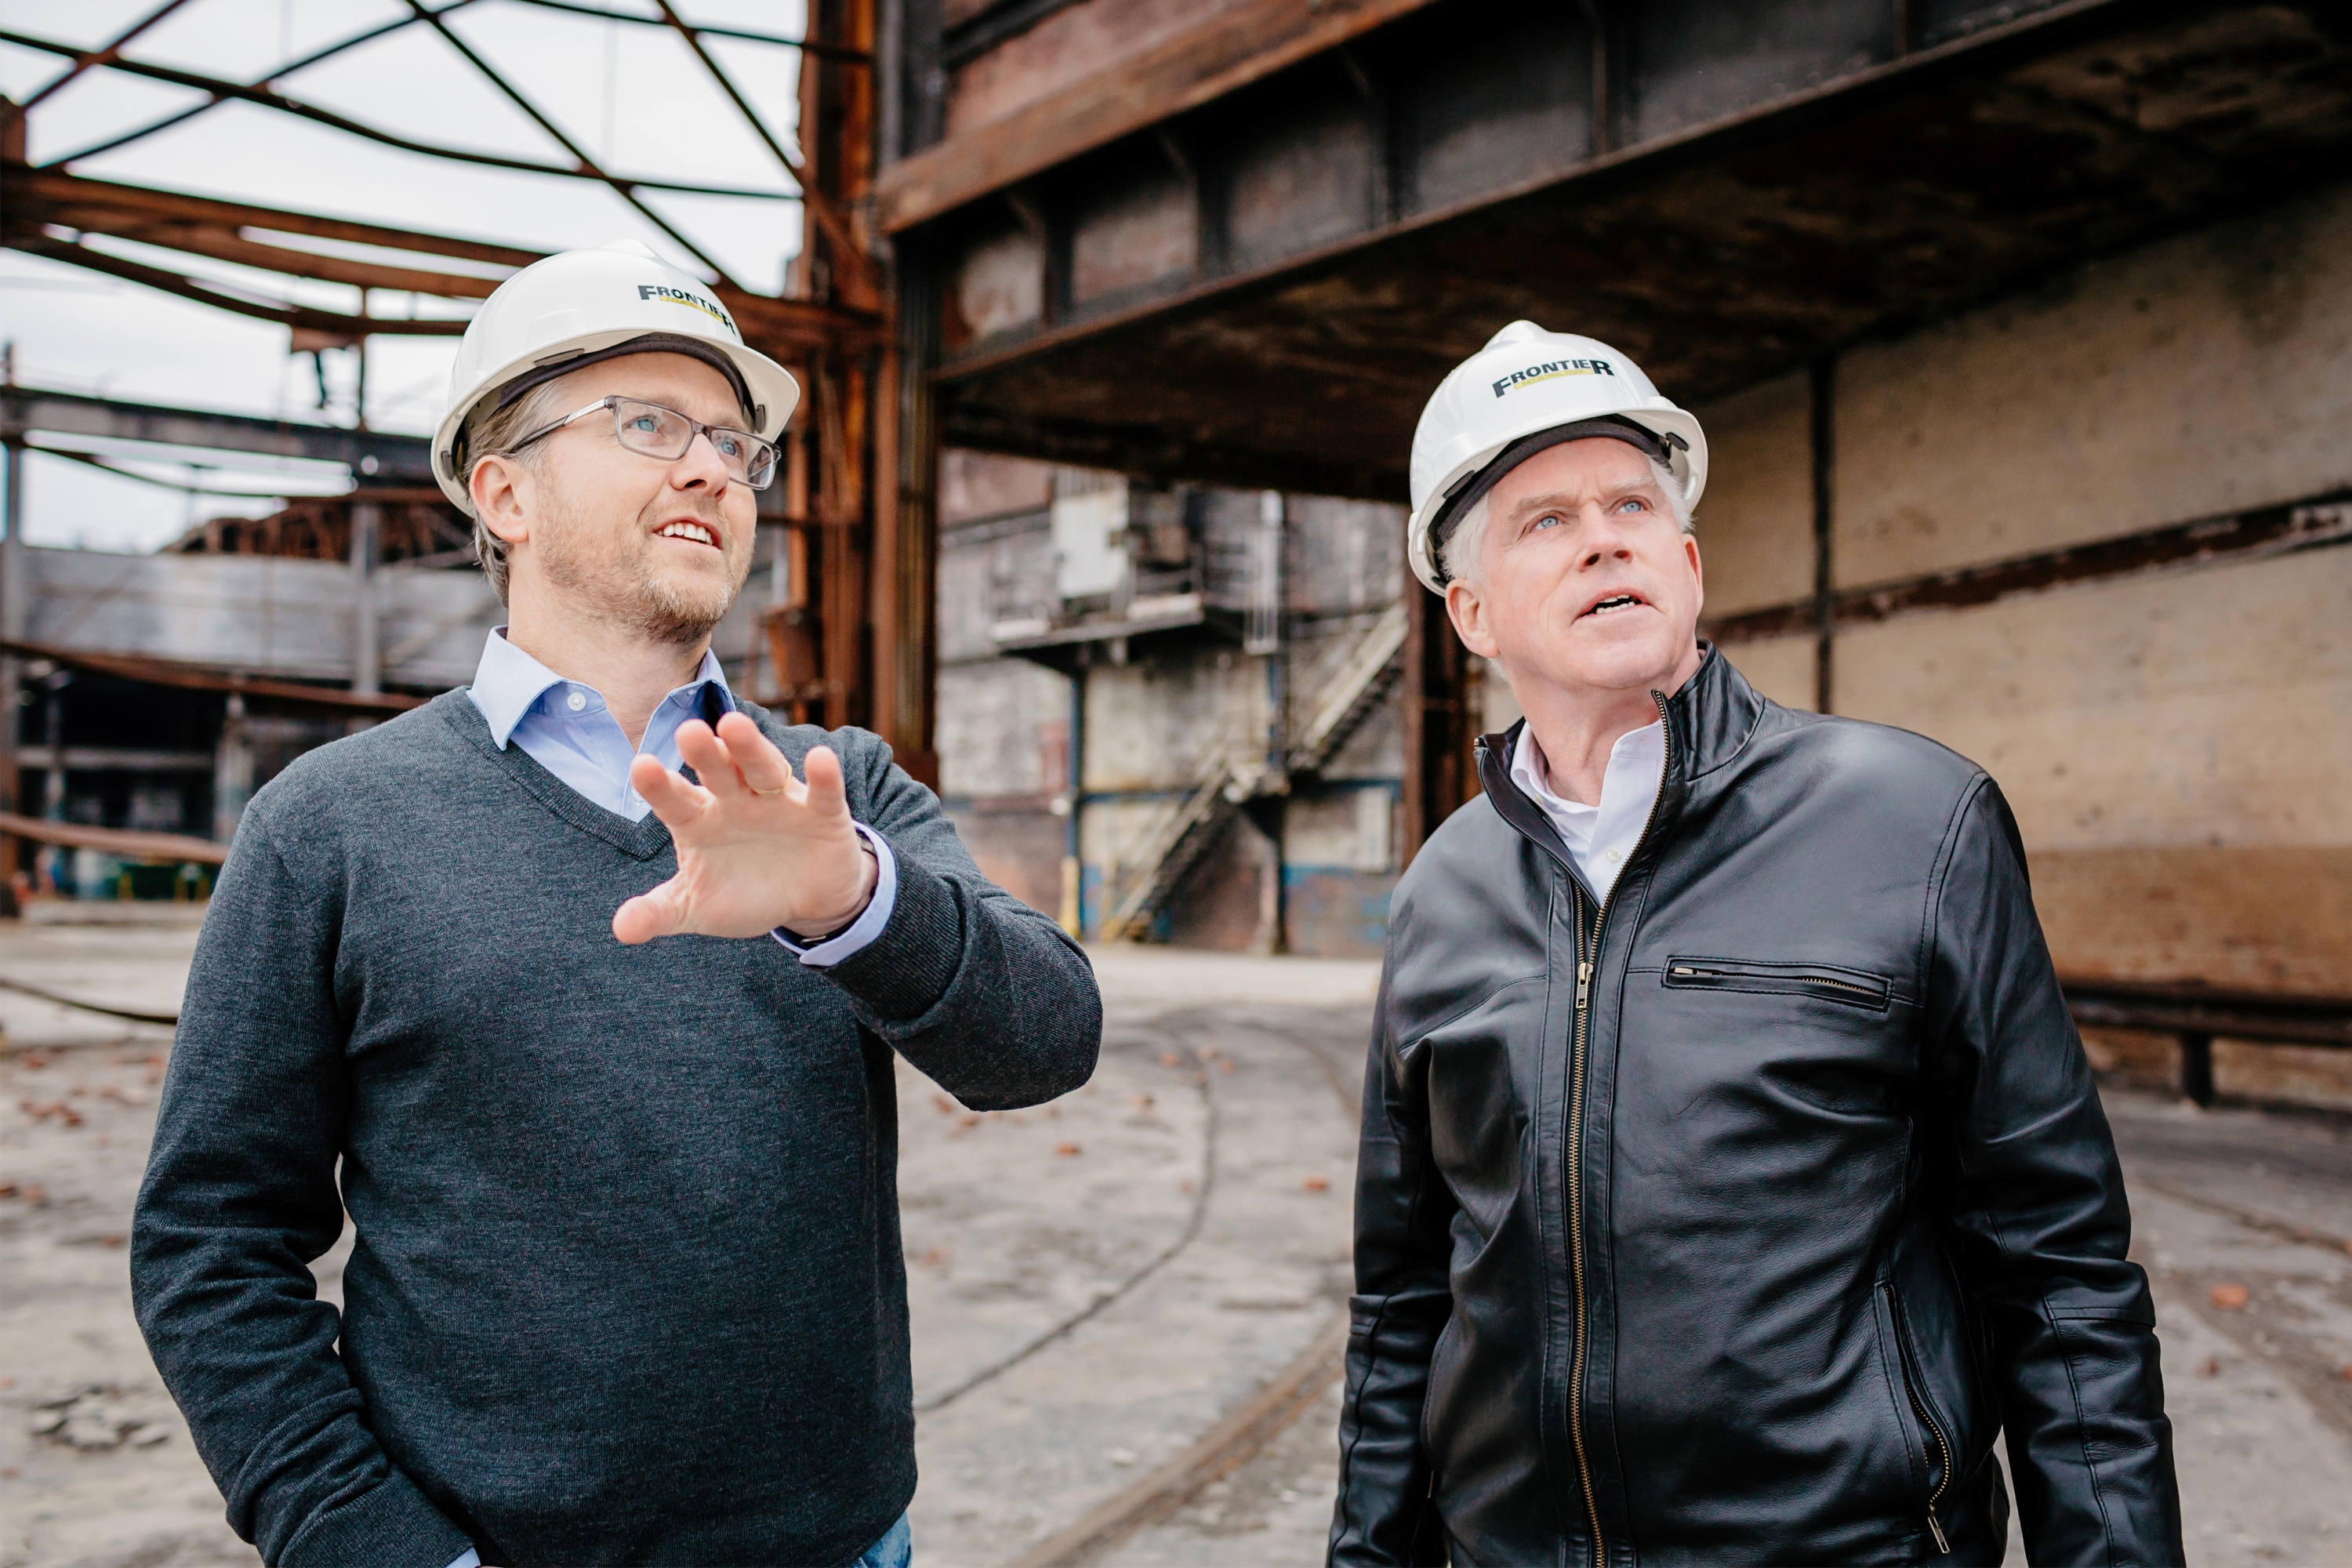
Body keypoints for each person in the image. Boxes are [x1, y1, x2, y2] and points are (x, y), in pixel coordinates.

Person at [132, 241, 1102, 1568]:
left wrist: (855, 905)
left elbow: (1048, 1041)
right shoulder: (334, 826)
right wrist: (372, 1545)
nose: (712, 466)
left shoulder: (837, 787)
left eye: (733, 441)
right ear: (505, 492)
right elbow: (211, 1243)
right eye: (646, 423)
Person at [1329, 321, 2180, 1565]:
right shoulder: (1443, 891)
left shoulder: (1914, 821)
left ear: (1685, 562)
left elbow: (2060, 1274)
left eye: (1630, 501)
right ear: (1471, 613)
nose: (1604, 535)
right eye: (1545, 521)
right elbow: (1405, 1298)